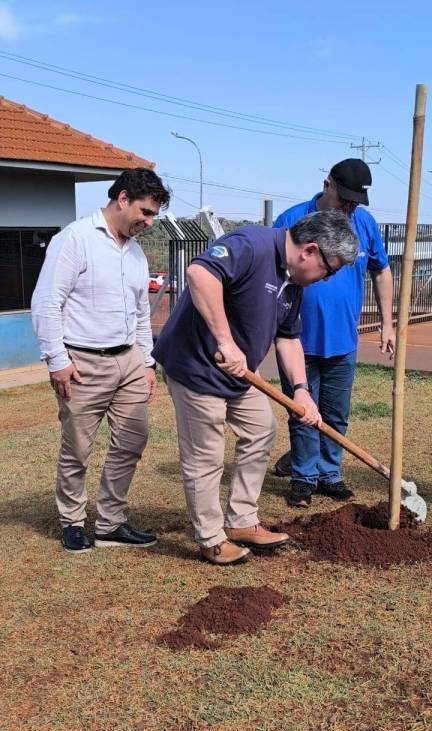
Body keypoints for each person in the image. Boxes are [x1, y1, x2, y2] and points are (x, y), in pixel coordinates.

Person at [153, 209, 358, 566]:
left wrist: (301, 389)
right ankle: (211, 538)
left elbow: (288, 338)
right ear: (310, 250)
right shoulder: (251, 244)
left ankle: (242, 521)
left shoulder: (294, 283)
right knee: (206, 455)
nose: (327, 279)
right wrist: (225, 340)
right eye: (330, 270)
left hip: (240, 373)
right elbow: (199, 274)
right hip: (196, 366)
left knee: (261, 429)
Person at [31, 168, 171, 553]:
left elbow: (141, 313)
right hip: (82, 364)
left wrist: (146, 363)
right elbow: (47, 302)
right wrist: (57, 360)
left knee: (132, 440)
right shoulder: (75, 239)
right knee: (77, 447)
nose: (149, 221)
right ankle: (73, 521)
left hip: (129, 361)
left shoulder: (135, 252)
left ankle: (111, 522)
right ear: (122, 199)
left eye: (154, 215)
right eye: (145, 212)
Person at [273, 159, 395, 507]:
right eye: (344, 199)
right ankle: (303, 478)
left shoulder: (364, 223)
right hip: (297, 340)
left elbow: (382, 271)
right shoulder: (293, 219)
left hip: (343, 341)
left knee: (336, 413)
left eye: (355, 202)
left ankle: (330, 475)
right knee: (302, 411)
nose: (349, 207)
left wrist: (387, 322)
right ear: (327, 184)